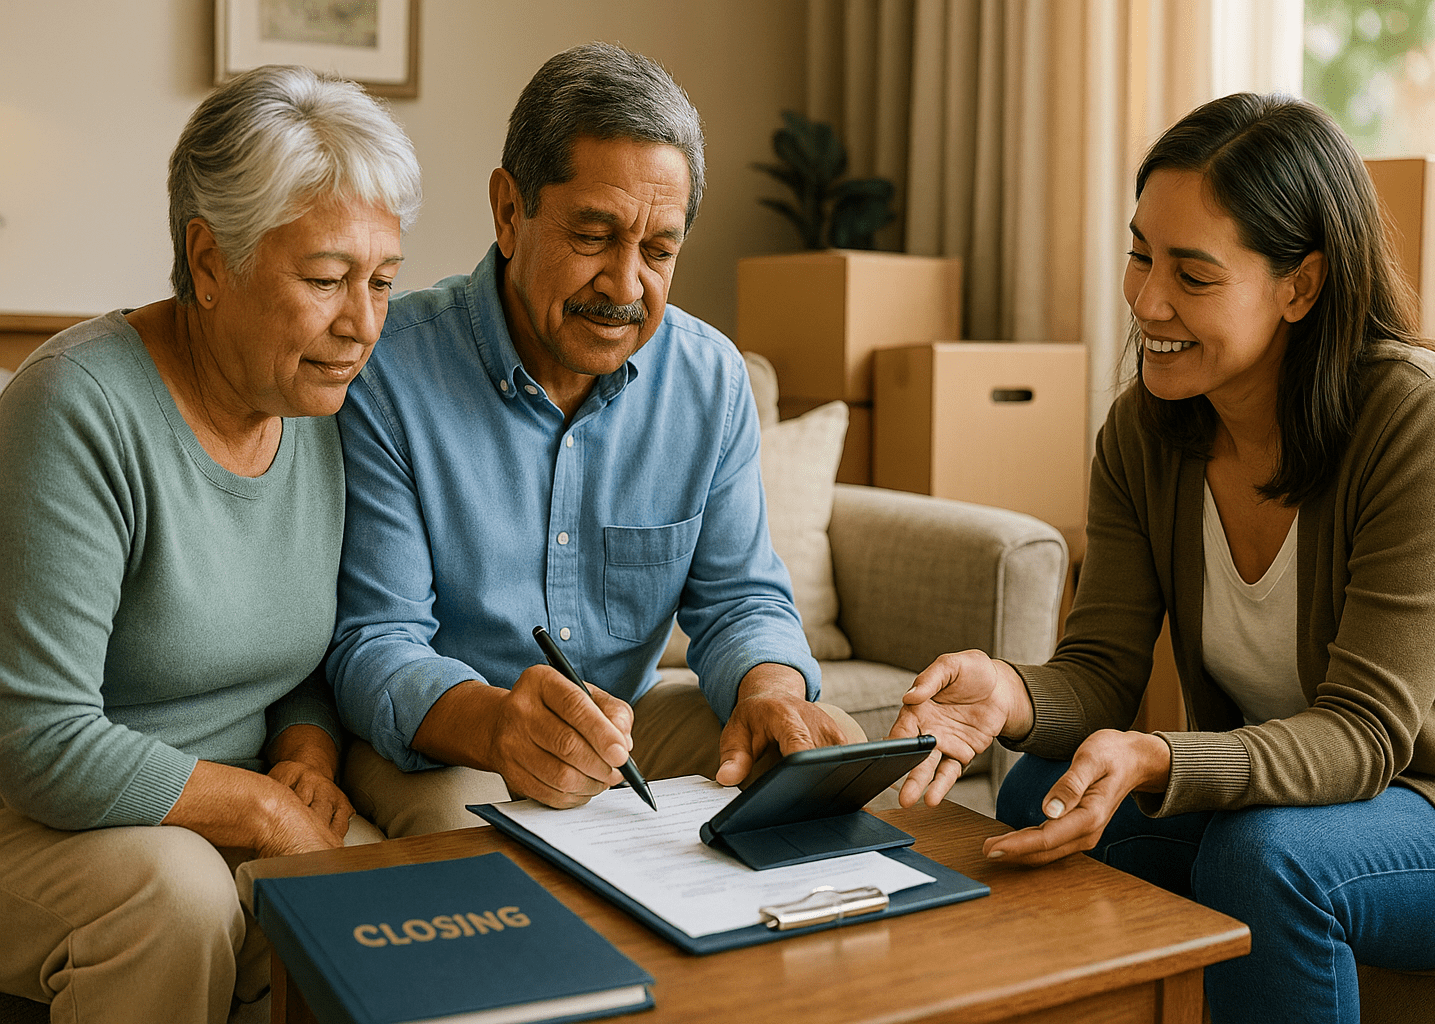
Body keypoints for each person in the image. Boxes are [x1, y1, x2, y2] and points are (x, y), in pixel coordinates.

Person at [890, 92, 1435, 1024]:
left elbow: (1364, 735)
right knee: (1040, 787)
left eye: (1193, 275)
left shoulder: (1420, 419)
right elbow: (1103, 672)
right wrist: (1010, 693)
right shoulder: (1144, 436)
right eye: (1140, 254)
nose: (1148, 300)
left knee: (1265, 857)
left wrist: (1159, 755)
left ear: (1300, 286)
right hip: (1296, 796)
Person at [328, 41, 862, 838]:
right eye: (593, 236)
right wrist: (499, 723)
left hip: (626, 727)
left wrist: (772, 692)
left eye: (658, 250)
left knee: (823, 781)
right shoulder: (390, 370)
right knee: (473, 838)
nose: (625, 286)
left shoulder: (710, 378)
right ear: (510, 212)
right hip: (452, 738)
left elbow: (740, 598)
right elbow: (377, 643)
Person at [0, 65, 421, 1024]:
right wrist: (262, 810)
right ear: (207, 259)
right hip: (36, 816)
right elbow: (38, 741)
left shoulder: (310, 399)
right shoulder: (78, 406)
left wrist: (307, 753)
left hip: (209, 808)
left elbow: (292, 649)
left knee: (408, 895)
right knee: (179, 898)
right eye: (324, 280)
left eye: (383, 283)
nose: (360, 327)